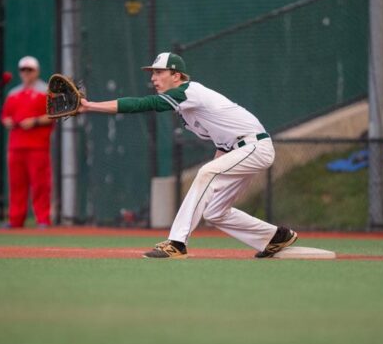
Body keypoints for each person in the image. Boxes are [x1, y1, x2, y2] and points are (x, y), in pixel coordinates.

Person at [79, 52, 298, 259]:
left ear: (176, 75)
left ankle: (176, 243)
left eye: (159, 72)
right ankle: (276, 237)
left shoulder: (189, 91)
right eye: (152, 73)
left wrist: (90, 106)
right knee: (214, 212)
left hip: (255, 146)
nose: (154, 78)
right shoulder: (188, 111)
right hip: (241, 149)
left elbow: (144, 104)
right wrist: (214, 178)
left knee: (206, 172)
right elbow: (222, 143)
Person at [0, 56, 53, 228]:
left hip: (38, 146)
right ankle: (16, 220)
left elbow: (53, 115)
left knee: (40, 184)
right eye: (23, 70)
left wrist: (35, 121)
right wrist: (7, 121)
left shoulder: (46, 91)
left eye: (29, 70)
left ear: (36, 71)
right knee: (16, 185)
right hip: (16, 146)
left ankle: (43, 219)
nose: (26, 73)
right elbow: (5, 115)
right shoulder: (13, 93)